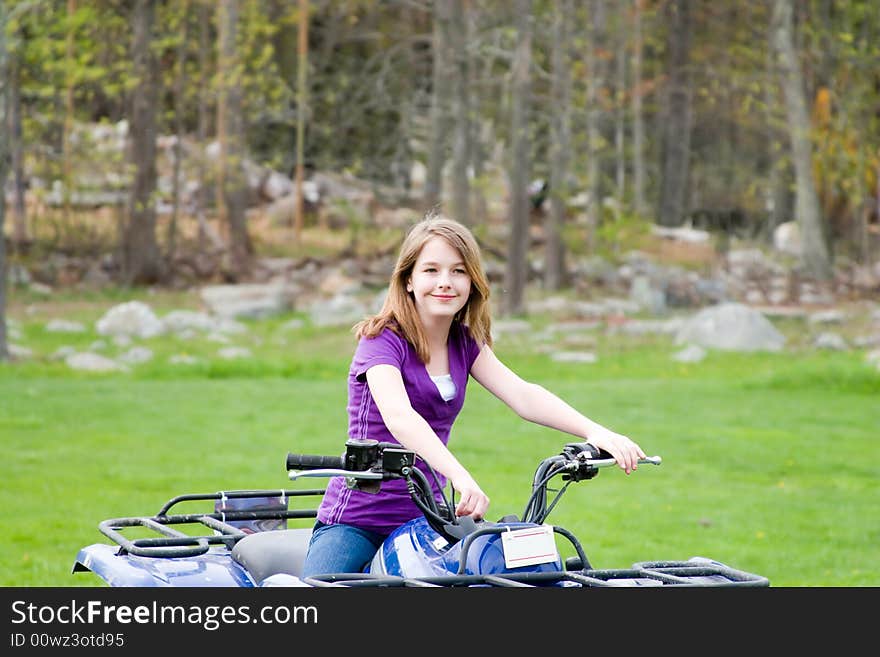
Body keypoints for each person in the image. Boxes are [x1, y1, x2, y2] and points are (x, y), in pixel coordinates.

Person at [300, 212, 645, 577]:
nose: (445, 282)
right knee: (313, 592)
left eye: (458, 271)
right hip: (359, 519)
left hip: (428, 519)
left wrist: (596, 432)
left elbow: (524, 395)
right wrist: (460, 475)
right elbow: (400, 417)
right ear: (408, 281)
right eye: (431, 270)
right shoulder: (383, 340)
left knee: (504, 574)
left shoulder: (464, 343)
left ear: (472, 282)